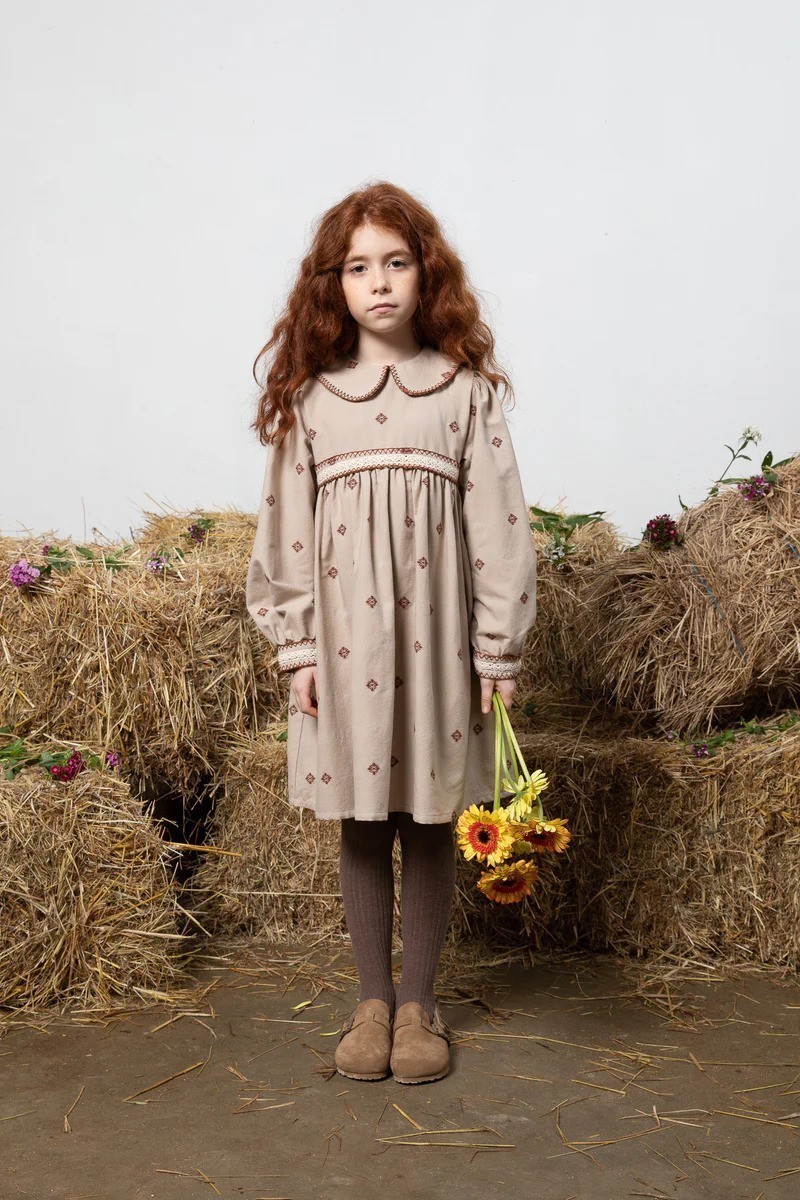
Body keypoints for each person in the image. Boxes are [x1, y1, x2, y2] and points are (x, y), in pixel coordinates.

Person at [245, 181, 537, 1084]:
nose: (378, 283)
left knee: (430, 815)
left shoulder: (463, 394)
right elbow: (284, 532)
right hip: (345, 649)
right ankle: (371, 1001)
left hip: (438, 644)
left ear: (426, 274)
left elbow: (500, 528)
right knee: (363, 819)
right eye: (358, 267)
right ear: (332, 285)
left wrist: (498, 647)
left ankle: (419, 1003)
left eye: (397, 263)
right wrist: (296, 646)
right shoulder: (310, 401)